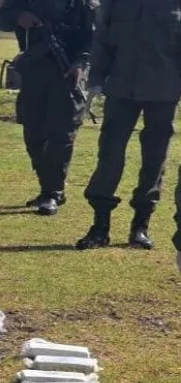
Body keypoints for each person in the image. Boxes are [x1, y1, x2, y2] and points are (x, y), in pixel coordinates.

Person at [76, 0, 181, 250]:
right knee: (110, 154)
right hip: (121, 88)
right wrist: (96, 79)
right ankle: (100, 227)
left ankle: (141, 226)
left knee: (154, 158)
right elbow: (102, 38)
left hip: (163, 90)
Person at [0, 0, 96, 217]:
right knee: (34, 133)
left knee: (61, 135)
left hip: (68, 73)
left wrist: (81, 63)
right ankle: (47, 187)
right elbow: (3, 17)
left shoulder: (82, 4)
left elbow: (95, 39)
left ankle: (53, 191)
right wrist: (19, 16)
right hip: (35, 71)